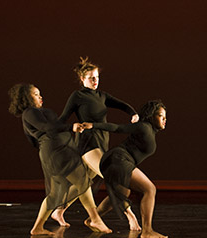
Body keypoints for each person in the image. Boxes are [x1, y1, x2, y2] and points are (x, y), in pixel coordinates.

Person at [8, 83, 113, 235]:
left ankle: (37, 227)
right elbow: (47, 129)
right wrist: (70, 128)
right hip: (56, 153)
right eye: (36, 94)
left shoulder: (37, 112)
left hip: (60, 150)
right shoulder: (29, 112)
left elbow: (47, 131)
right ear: (26, 98)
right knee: (82, 179)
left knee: (57, 193)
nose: (40, 97)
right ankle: (95, 218)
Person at [50, 57, 140, 228]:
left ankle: (58, 210)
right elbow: (62, 120)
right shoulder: (77, 96)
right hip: (87, 144)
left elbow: (123, 105)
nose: (95, 81)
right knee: (113, 176)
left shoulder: (102, 95)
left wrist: (133, 113)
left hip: (101, 142)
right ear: (82, 79)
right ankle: (130, 216)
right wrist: (71, 127)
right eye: (91, 78)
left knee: (84, 182)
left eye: (97, 77)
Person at [85, 100, 168, 238]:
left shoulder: (149, 131)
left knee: (122, 193)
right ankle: (147, 231)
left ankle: (92, 219)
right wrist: (93, 125)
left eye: (165, 117)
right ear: (151, 116)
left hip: (118, 160)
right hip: (119, 159)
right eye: (161, 116)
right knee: (150, 189)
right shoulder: (144, 127)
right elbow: (118, 128)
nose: (164, 120)